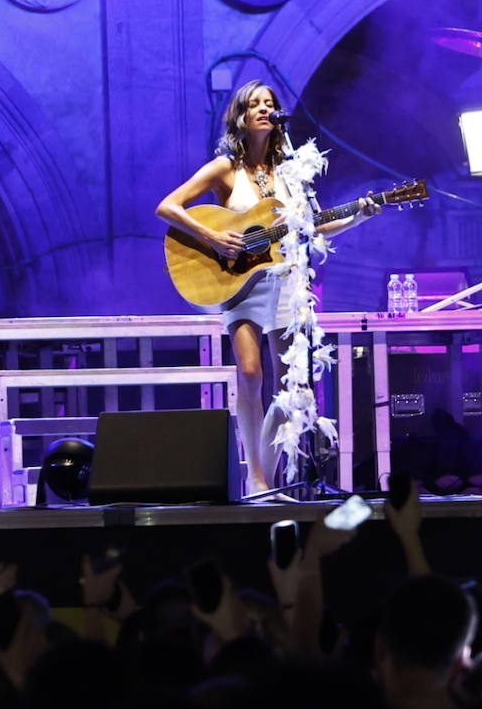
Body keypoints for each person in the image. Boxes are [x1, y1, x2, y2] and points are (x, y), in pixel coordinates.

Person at [157, 80, 381, 497]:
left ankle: (265, 478)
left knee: (289, 383)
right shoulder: (225, 168)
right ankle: (253, 475)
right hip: (237, 279)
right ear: (240, 117)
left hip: (284, 279)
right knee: (249, 373)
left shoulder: (291, 172)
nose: (264, 109)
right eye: (254, 104)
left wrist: (360, 216)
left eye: (270, 103)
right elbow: (168, 207)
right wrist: (212, 237)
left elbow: (311, 223)